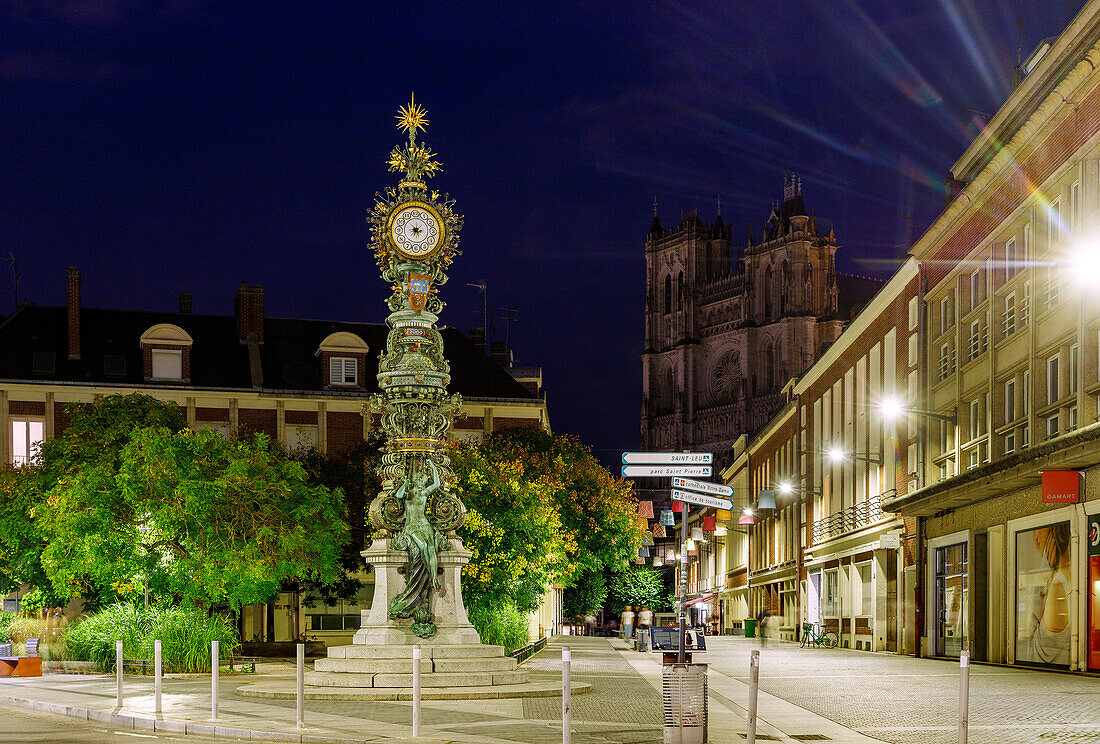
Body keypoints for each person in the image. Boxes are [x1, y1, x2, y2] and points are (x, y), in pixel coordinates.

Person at [1025, 523, 1072, 665]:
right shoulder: (1056, 578)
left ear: (1054, 532)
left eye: (1038, 531)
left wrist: (1043, 569)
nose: (1036, 539)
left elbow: (1041, 651)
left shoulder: (1058, 584)